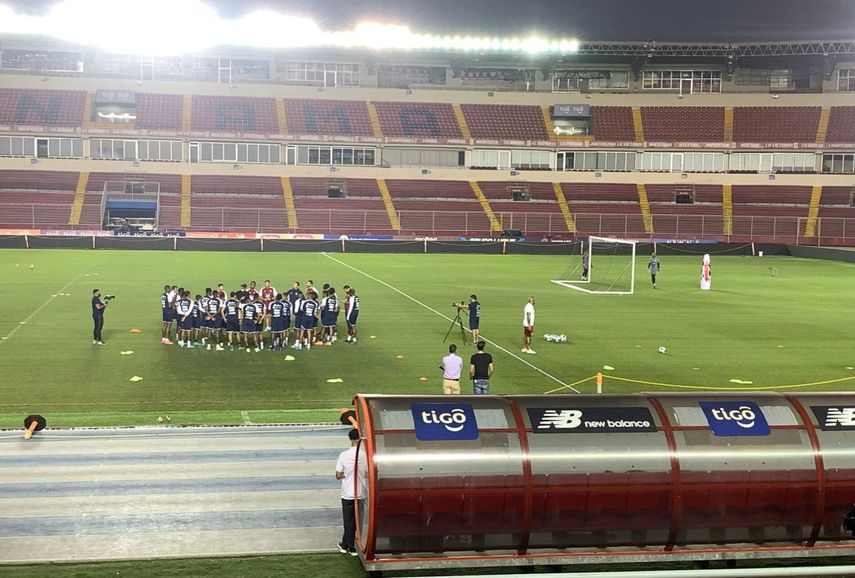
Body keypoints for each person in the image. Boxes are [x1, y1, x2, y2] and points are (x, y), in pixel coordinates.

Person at [336, 428, 365, 557]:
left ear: (350, 439)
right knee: (357, 521)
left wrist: (346, 474)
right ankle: (344, 544)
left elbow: (338, 475)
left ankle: (351, 547)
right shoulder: (365, 455)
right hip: (360, 492)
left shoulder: (344, 455)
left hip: (347, 493)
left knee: (349, 521)